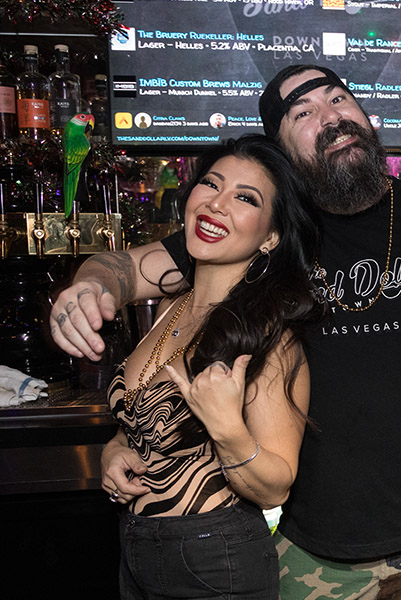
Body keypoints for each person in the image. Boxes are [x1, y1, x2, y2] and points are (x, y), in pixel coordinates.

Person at [50, 65, 401, 600]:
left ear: (366, 115)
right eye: (303, 113)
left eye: (339, 99)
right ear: (283, 151)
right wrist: (88, 287)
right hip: (311, 554)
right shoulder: (267, 231)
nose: (331, 118)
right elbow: (126, 269)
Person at [99, 134, 323, 598]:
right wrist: (114, 450)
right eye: (211, 184)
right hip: (135, 546)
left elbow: (276, 488)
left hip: (212, 556)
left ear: (271, 237)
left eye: (245, 198)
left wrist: (226, 427)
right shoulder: (170, 307)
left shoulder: (268, 338)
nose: (216, 204)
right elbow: (144, 419)